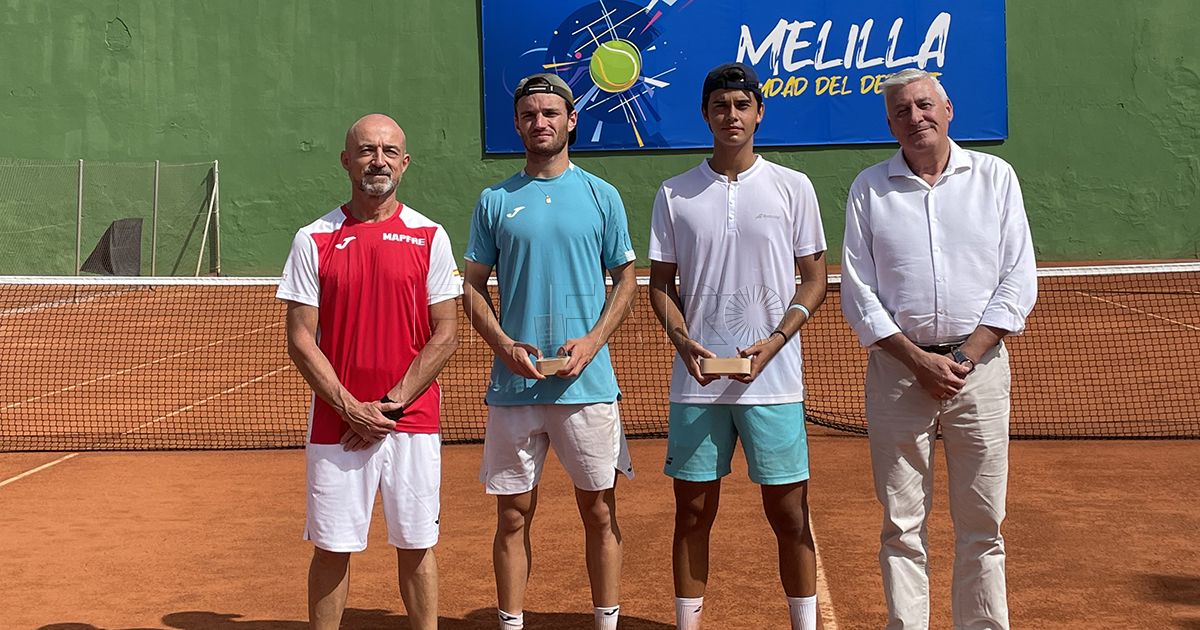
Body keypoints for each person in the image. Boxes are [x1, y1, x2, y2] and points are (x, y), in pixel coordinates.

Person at [840, 68, 1037, 629]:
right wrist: (918, 360)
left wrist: (963, 359)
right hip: (898, 375)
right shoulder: (868, 189)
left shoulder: (995, 177)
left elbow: (1017, 279)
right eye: (902, 111)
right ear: (890, 123)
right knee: (901, 525)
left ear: (948, 109)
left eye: (924, 105)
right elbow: (859, 292)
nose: (915, 117)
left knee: (983, 524)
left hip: (979, 374)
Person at [647, 62, 828, 630]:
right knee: (693, 512)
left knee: (790, 513)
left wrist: (774, 343)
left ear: (759, 113)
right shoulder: (675, 193)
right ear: (706, 114)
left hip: (773, 382)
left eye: (742, 105)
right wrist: (684, 343)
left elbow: (816, 279)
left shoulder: (793, 187)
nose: (732, 115)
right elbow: (659, 285)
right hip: (697, 385)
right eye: (721, 106)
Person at [462, 72, 638, 630]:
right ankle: (511, 623)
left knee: (601, 511)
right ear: (518, 125)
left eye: (550, 113)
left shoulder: (601, 195)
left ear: (571, 120)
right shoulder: (495, 200)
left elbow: (627, 278)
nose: (540, 122)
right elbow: (470, 287)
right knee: (512, 516)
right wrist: (503, 345)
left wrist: (592, 341)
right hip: (515, 389)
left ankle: (605, 622)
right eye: (529, 115)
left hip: (588, 386)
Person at [277, 114, 461, 630]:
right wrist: (350, 407)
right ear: (346, 160)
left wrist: (390, 404)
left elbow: (445, 333)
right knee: (333, 549)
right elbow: (300, 338)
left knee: (417, 544)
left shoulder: (430, 235)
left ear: (404, 163)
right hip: (337, 427)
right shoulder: (312, 238)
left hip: (413, 423)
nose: (377, 160)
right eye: (365, 150)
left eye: (388, 151)